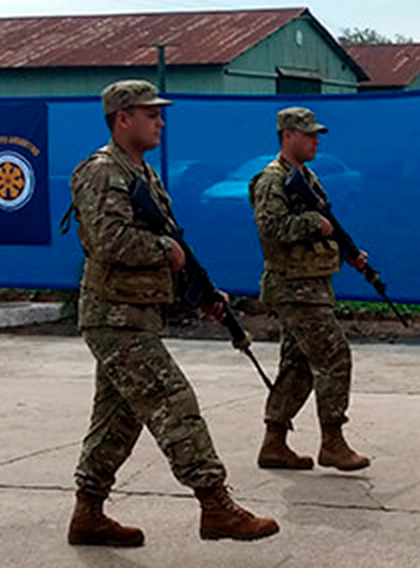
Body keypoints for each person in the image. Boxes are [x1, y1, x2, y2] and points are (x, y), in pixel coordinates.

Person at [66, 79, 279, 547]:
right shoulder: (103, 172)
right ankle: (215, 504)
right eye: (150, 114)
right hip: (114, 317)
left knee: (117, 419)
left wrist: (198, 291)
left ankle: (88, 514)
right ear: (123, 118)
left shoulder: (142, 173)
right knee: (173, 399)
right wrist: (166, 251)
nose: (160, 121)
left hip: (136, 314)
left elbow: (170, 249)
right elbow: (109, 242)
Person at [250, 106, 370, 472]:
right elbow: (270, 229)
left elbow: (327, 221)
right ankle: (332, 441)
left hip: (310, 284)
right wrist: (312, 225)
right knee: (334, 356)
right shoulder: (272, 179)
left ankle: (274, 443)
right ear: (287, 135)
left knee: (297, 365)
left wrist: (347, 252)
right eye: (309, 134)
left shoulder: (305, 175)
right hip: (294, 287)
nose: (316, 140)